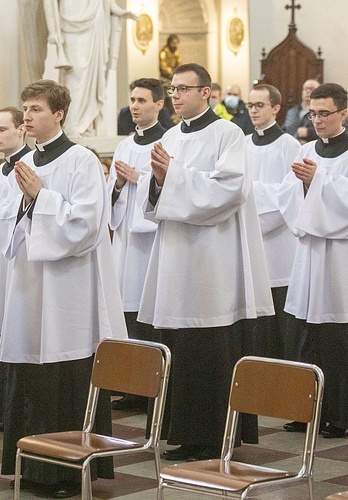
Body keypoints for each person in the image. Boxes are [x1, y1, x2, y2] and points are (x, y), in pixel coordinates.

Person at [0, 79, 126, 498]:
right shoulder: (20, 164)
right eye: (25, 109)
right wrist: (27, 201)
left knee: (64, 372)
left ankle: (66, 471)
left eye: (35, 109)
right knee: (30, 371)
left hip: (69, 290)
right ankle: (31, 468)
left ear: (59, 115)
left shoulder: (82, 160)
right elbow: (1, 221)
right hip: (29, 284)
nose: (27, 116)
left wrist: (41, 198)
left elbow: (86, 225)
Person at [138, 63, 273, 461]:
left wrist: (174, 176)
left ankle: (214, 436)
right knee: (178, 343)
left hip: (212, 258)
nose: (176, 96)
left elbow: (230, 190)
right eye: (173, 89)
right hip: (176, 254)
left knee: (209, 344)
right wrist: (161, 182)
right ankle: (180, 432)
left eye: (183, 89)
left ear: (206, 93)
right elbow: (158, 195)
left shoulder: (228, 134)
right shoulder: (169, 135)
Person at [277, 82, 348, 439]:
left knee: (341, 336)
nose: (317, 119)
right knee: (306, 333)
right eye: (313, 112)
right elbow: (288, 197)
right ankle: (305, 409)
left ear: (342, 113)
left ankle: (342, 414)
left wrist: (318, 180)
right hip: (312, 256)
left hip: (345, 261)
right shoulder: (306, 149)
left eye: (324, 113)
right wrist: (305, 186)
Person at [107, 78, 167, 411]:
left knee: (150, 314)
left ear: (159, 105)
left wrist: (137, 179)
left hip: (152, 242)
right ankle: (132, 386)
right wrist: (116, 183)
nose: (135, 105)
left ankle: (154, 387)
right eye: (132, 99)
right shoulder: (125, 144)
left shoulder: (168, 142)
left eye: (142, 100)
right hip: (127, 243)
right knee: (127, 312)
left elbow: (169, 186)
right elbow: (111, 197)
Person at [0, 106, 31, 432]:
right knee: (1, 328)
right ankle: (0, 409)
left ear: (21, 130)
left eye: (3, 129)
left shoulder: (28, 167)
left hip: (19, 257)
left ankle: (14, 409)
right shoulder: (1, 171)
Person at [246, 84, 302, 360]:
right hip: (248, 242)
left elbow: (289, 196)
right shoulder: (243, 144)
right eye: (250, 106)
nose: (253, 111)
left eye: (259, 105)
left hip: (278, 244)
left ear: (276, 109)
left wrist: (251, 192)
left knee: (280, 324)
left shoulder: (289, 146)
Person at [43, 0, 136, 137]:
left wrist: (114, 8)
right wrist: (52, 30)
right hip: (71, 18)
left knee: (97, 73)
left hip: (96, 18)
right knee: (76, 73)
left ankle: (87, 125)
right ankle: (71, 123)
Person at [283, 79, 320, 144]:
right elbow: (285, 129)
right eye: (306, 89)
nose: (308, 91)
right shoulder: (292, 111)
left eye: (312, 89)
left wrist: (309, 132)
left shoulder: (322, 112)